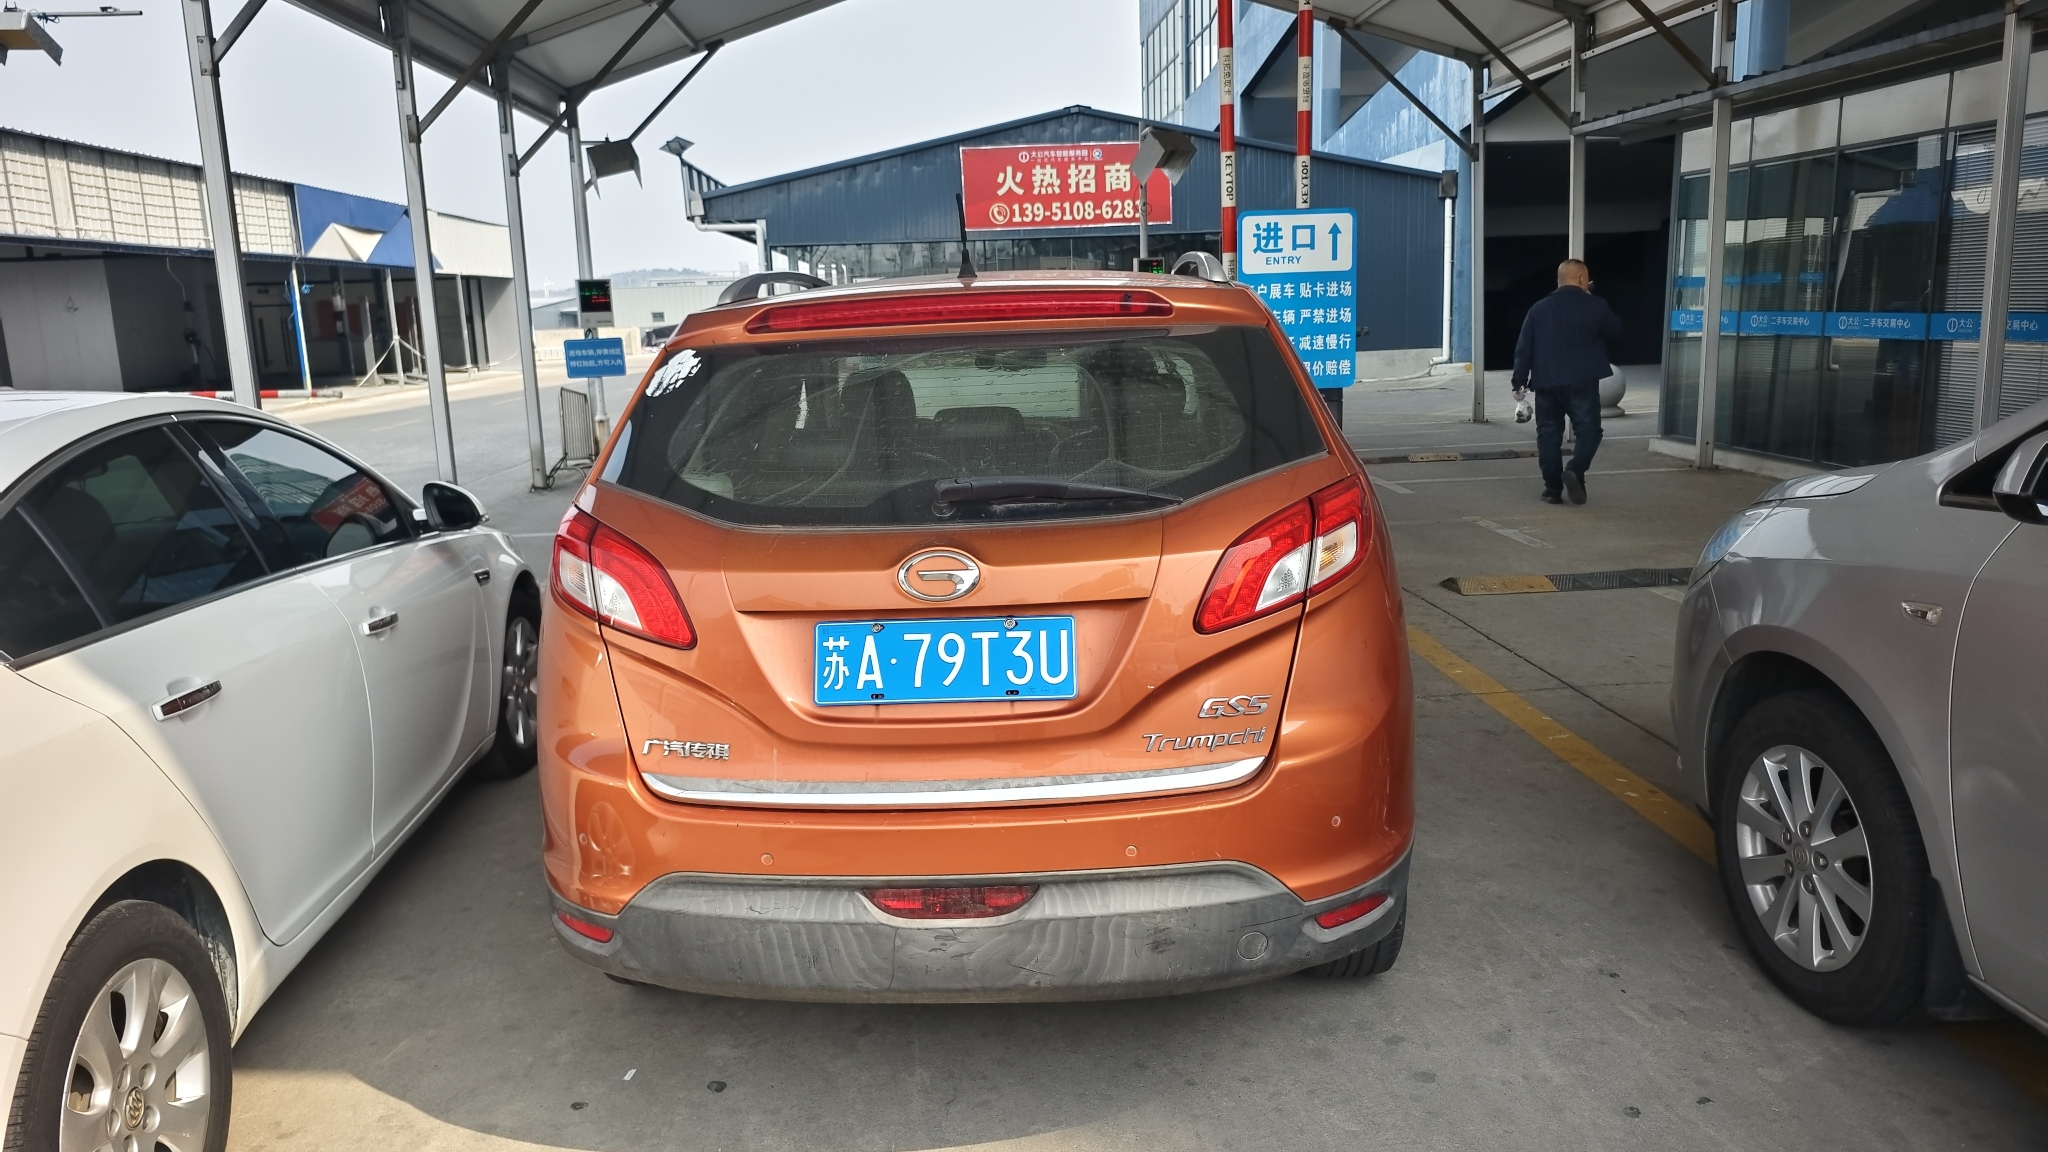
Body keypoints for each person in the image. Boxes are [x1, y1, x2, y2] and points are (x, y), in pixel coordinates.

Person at [1511, 259, 1622, 505]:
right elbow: (1616, 330)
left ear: (1559, 280)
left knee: (1548, 434)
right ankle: (1575, 469)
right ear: (1583, 279)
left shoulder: (1538, 309)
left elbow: (1524, 348)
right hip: (1582, 381)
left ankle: (1552, 489)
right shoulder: (1595, 305)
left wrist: (1519, 382)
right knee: (1589, 430)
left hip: (1546, 382)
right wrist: (1593, 301)